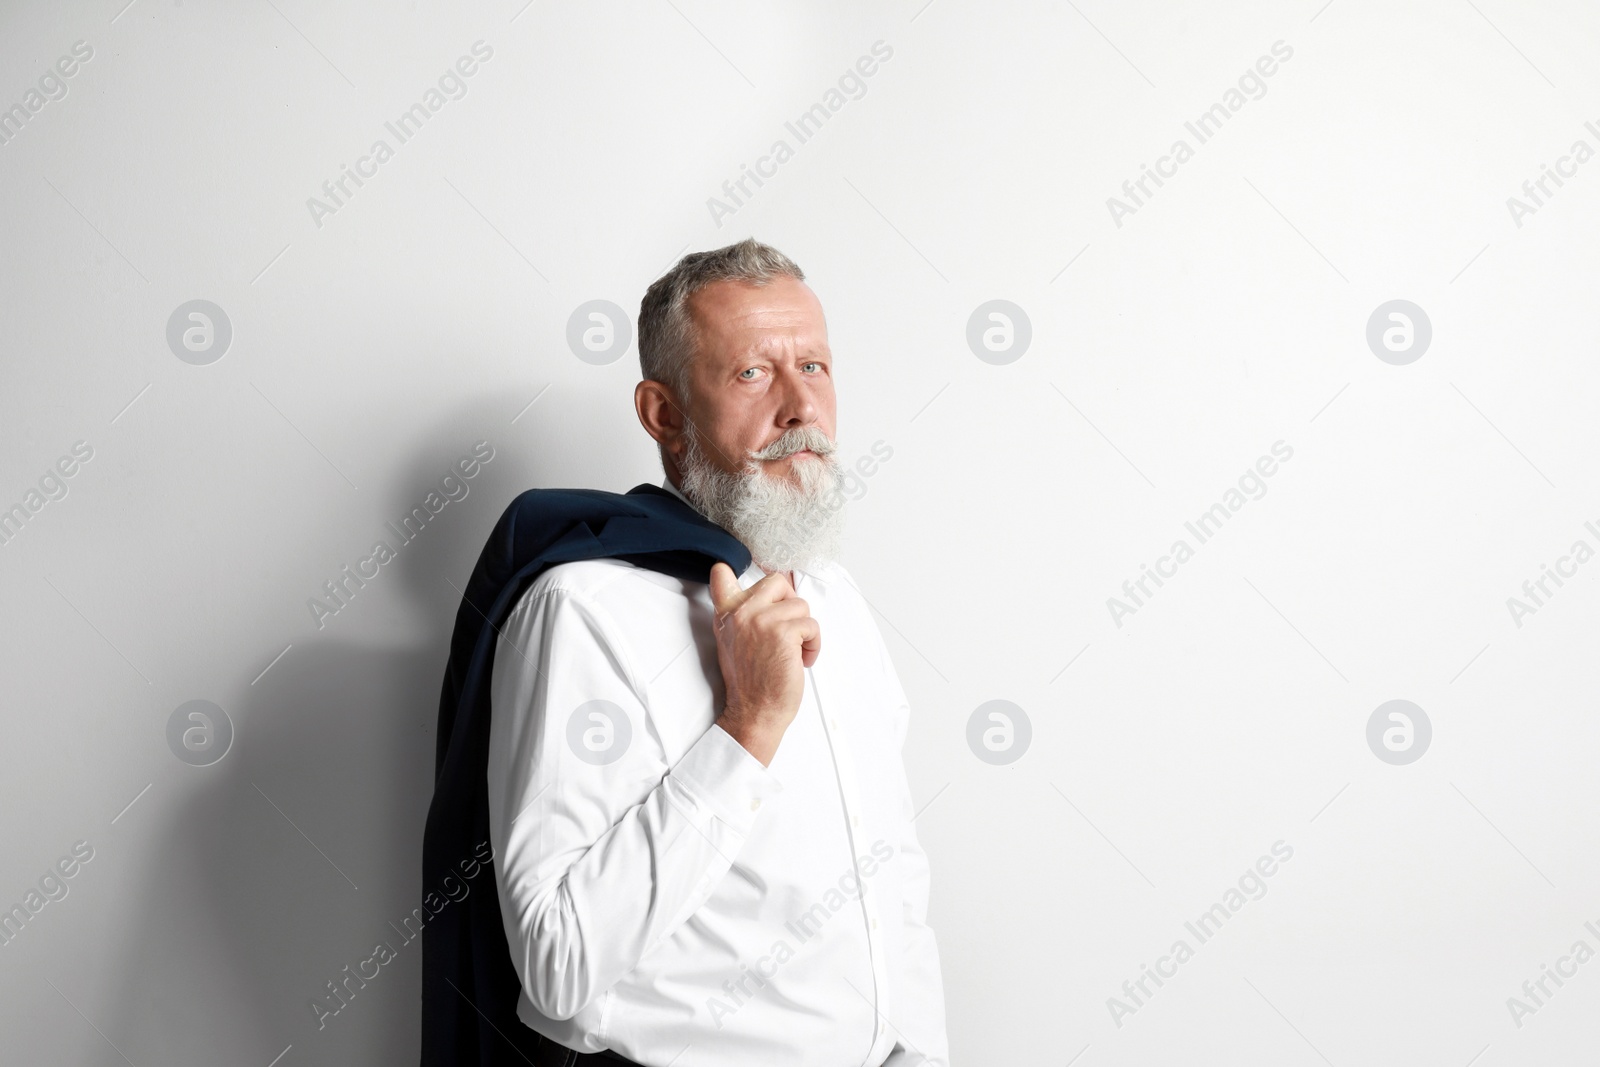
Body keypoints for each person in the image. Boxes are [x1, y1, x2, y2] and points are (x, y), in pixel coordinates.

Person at [484, 238, 949, 1066]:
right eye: (752, 373)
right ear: (664, 415)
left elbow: (893, 878)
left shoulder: (836, 595)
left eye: (814, 365)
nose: (800, 405)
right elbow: (556, 964)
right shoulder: (583, 610)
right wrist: (747, 726)